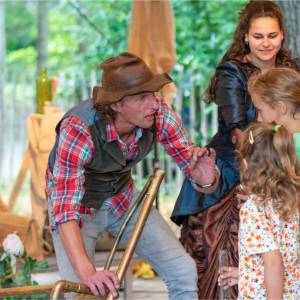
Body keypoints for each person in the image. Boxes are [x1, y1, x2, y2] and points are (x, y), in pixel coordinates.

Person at [46, 52, 219, 299]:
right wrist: (88, 272)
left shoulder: (158, 114)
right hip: (78, 211)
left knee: (183, 270)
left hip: (123, 200)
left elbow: (194, 167)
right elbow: (64, 208)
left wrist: (206, 178)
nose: (154, 103)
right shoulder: (79, 128)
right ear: (115, 104)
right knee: (80, 292)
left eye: (154, 93)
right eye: (142, 97)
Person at [171, 1, 300, 298]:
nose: (266, 43)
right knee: (225, 250)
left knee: (281, 246)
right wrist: (256, 173)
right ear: (245, 36)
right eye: (258, 36)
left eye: (272, 35)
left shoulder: (291, 68)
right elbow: (241, 131)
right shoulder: (232, 72)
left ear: (282, 36)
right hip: (243, 163)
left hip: (282, 162)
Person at [219, 66, 300, 291]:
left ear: (281, 108)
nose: (258, 117)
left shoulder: (292, 145)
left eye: (261, 109)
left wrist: (264, 204)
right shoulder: (285, 143)